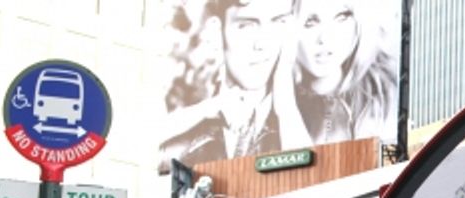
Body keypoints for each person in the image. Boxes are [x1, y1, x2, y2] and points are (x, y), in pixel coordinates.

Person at [160, 0, 307, 165]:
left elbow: (313, 183)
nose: (263, 44)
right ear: (216, 32)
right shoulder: (178, 137)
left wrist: (286, 107)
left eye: (279, 22)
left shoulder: (323, 117)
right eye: (246, 26)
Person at [293, 0, 398, 145]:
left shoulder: (387, 94)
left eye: (341, 17)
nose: (325, 38)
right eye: (310, 22)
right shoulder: (269, 103)